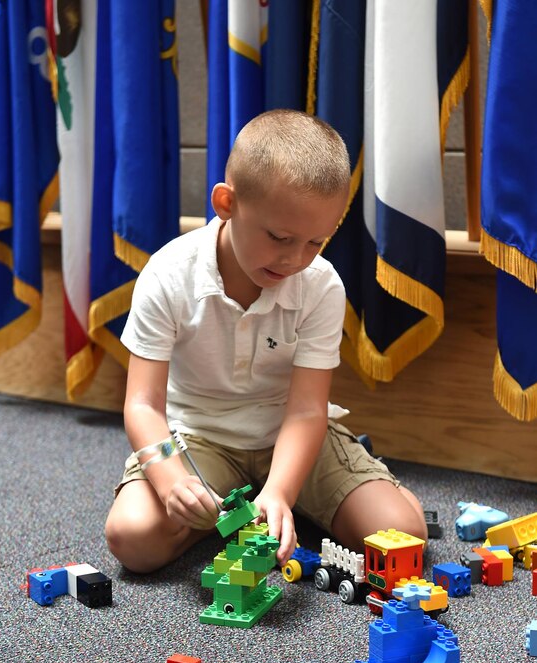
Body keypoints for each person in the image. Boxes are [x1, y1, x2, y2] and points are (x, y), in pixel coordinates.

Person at [105, 109, 427, 574]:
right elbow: (142, 405)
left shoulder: (321, 285)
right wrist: (170, 479)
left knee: (403, 535)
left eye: (316, 242)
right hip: (199, 438)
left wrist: (280, 490)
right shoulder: (167, 274)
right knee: (132, 538)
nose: (295, 258)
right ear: (226, 203)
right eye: (279, 236)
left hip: (292, 435)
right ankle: (235, 509)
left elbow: (306, 410)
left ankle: (296, 496)